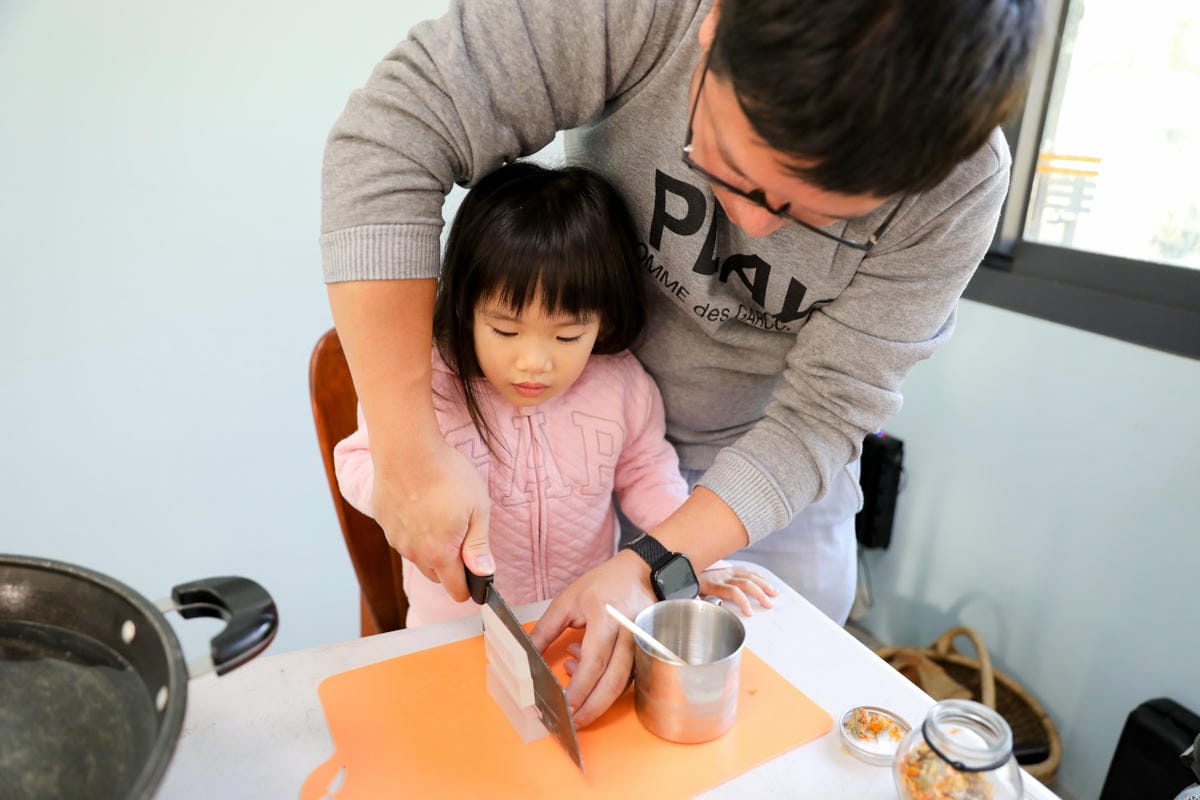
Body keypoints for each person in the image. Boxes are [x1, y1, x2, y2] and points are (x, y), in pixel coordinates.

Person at [320, 0, 1041, 725]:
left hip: (768, 458)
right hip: (600, 464)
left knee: (771, 716)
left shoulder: (960, 184)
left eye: (815, 212)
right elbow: (390, 138)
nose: (753, 225)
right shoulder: (635, 13)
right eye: (730, 163)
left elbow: (827, 413)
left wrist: (659, 560)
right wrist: (406, 452)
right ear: (716, 24)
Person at [332, 161, 776, 626]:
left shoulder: (620, 383)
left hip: (579, 622)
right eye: (505, 330)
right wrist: (412, 483)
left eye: (567, 337)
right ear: (466, 306)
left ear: (601, 318)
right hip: (451, 629)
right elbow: (357, 460)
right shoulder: (427, 383)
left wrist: (695, 557)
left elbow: (648, 474)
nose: (534, 363)